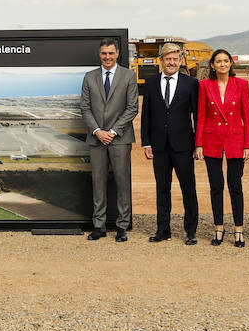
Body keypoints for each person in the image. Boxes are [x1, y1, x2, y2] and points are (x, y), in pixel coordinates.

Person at [78, 37, 139, 241]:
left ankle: (122, 226)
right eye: (104, 53)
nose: (107, 57)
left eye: (111, 53)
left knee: (122, 182)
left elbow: (132, 108)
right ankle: (99, 225)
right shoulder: (89, 77)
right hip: (96, 139)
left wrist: (112, 132)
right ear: (100, 54)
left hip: (119, 139)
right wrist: (97, 131)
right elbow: (85, 108)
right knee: (98, 182)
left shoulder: (128, 76)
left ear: (117, 54)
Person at [140, 43, 199, 244]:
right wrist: (146, 143)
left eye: (175, 59)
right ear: (161, 61)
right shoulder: (151, 83)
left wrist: (198, 144)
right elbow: (146, 115)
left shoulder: (191, 84)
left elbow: (197, 116)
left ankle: (191, 231)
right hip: (159, 147)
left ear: (180, 61)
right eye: (168, 59)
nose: (171, 62)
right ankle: (163, 230)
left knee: (188, 188)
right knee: (162, 189)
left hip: (184, 146)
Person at [194, 48, 249, 248]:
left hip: (236, 140)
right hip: (212, 141)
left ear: (230, 64)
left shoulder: (242, 84)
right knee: (216, 186)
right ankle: (218, 227)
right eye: (218, 61)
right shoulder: (204, 85)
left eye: (226, 61)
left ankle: (239, 229)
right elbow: (200, 116)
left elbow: (247, 116)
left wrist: (248, 144)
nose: (222, 64)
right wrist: (198, 144)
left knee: (235, 186)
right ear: (212, 65)